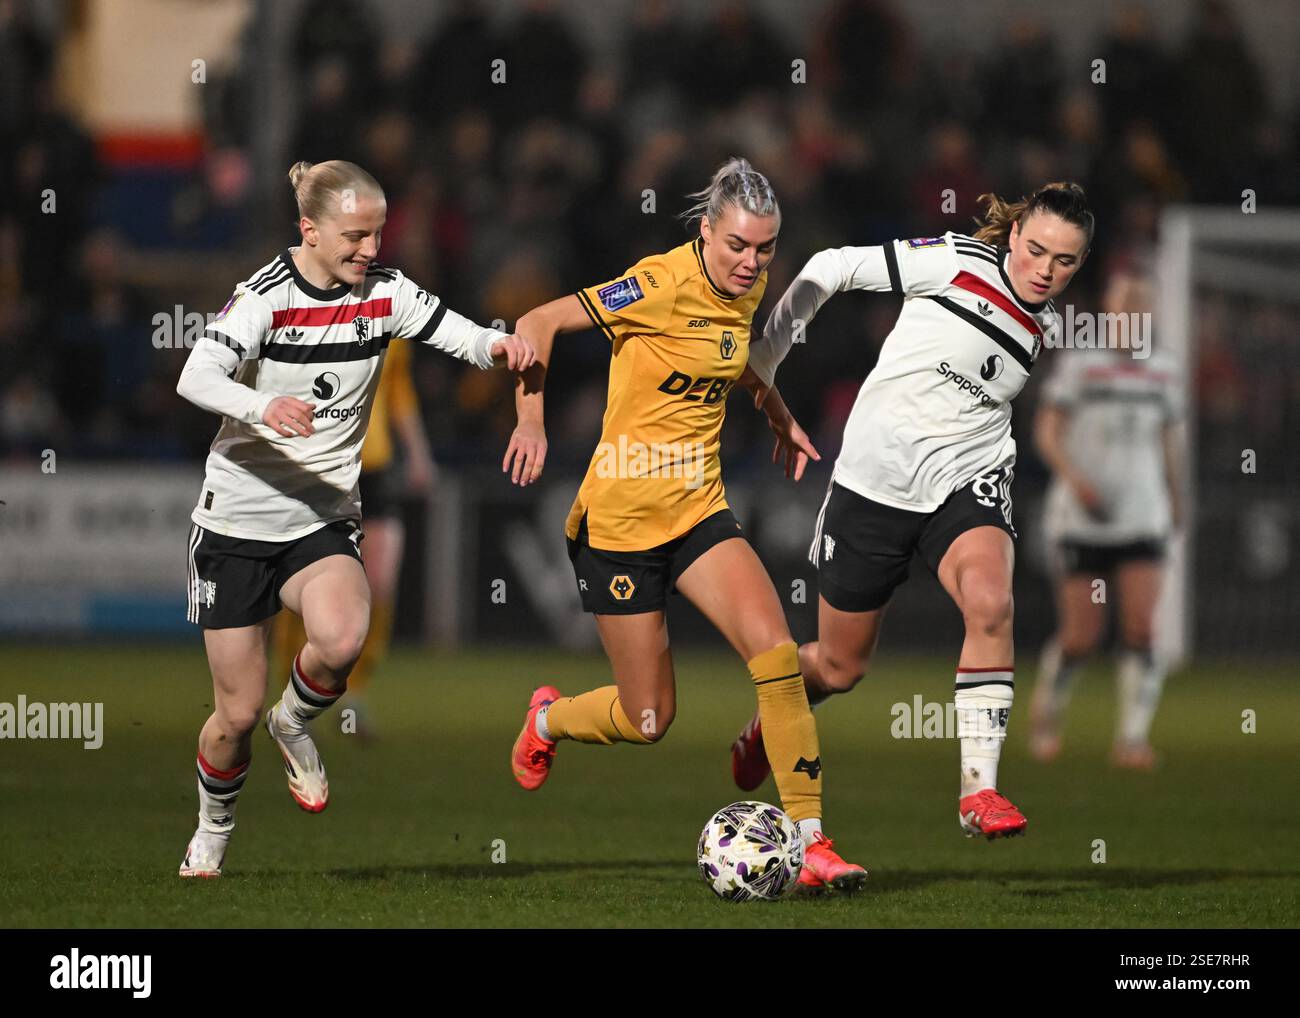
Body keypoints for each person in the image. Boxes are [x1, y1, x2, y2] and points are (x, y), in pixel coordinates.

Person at [501, 157, 867, 893]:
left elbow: (732, 361)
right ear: (705, 231)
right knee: (647, 720)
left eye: (765, 249)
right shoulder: (658, 283)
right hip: (619, 527)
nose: (751, 262)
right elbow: (535, 322)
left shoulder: (749, 286)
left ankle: (812, 844)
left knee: (776, 658)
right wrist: (531, 423)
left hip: (699, 510)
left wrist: (777, 412)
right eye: (737, 245)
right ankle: (548, 720)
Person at [175, 159, 533, 877]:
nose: (372, 249)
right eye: (356, 235)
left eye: (378, 233)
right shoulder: (264, 297)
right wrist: (261, 405)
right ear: (309, 230)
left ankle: (295, 722)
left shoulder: (386, 294)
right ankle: (214, 829)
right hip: (238, 522)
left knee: (341, 637)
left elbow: (457, 334)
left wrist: (499, 346)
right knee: (234, 717)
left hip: (321, 516)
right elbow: (196, 375)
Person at [730, 183, 1094, 840]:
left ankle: (978, 792)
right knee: (840, 668)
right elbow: (831, 266)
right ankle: (773, 714)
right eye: (1036, 250)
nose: (1045, 270)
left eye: (1064, 262)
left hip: (969, 478)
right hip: (874, 486)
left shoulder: (1045, 323)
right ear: (1013, 236)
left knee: (992, 603)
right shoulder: (955, 261)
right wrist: (766, 359)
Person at [1029, 269, 1183, 769]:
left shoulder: (1165, 371)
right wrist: (1076, 480)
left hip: (1143, 514)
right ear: (1110, 311)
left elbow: (1168, 442)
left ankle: (1133, 739)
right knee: (1082, 636)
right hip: (1083, 518)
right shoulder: (1082, 366)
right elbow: (1047, 432)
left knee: (1141, 628)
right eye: (1125, 302)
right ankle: (1047, 713)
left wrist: (1176, 497)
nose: (1133, 311)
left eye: (1142, 302)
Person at [269, 337, 437, 737]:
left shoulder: (395, 315)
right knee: (300, 589)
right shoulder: (308, 314)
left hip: (374, 470)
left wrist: (418, 453)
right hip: (318, 467)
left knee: (378, 582)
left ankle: (353, 690)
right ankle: (290, 693)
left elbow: (398, 389)